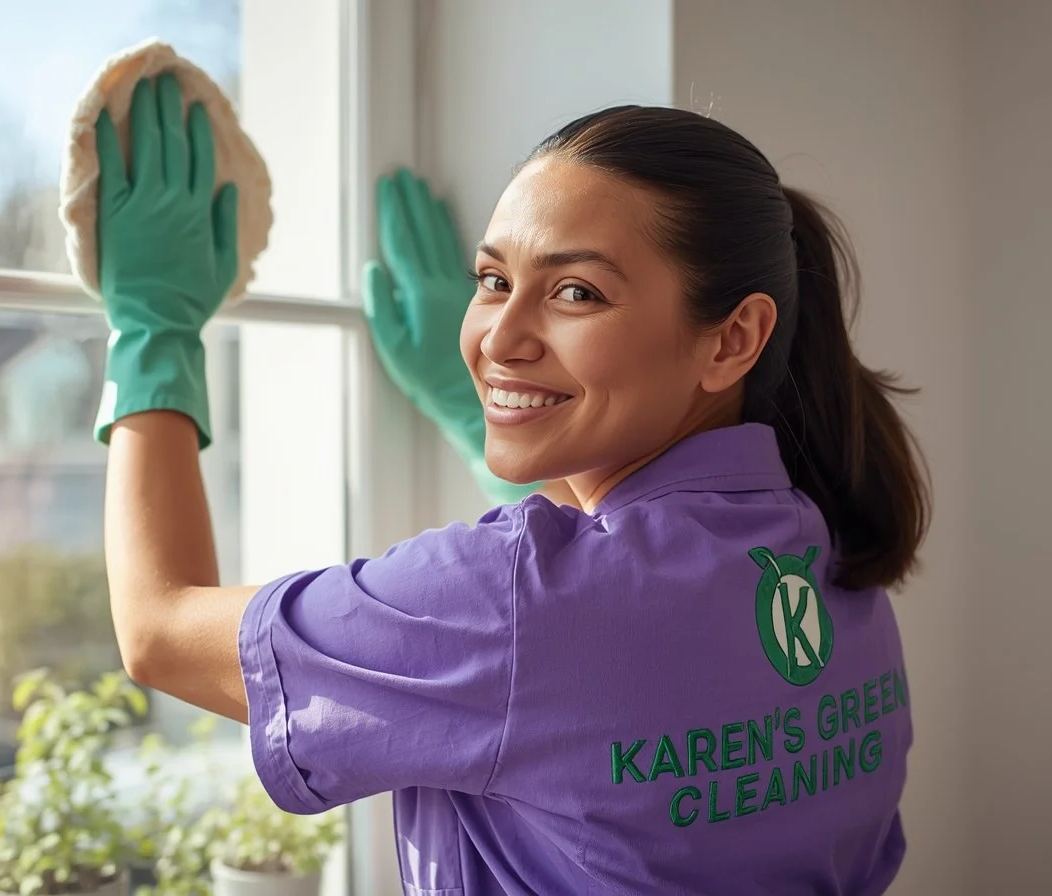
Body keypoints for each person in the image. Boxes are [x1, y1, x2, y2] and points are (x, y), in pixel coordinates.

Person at [96, 73, 929, 895]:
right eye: (493, 281)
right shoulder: (831, 548)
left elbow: (159, 629)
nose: (498, 338)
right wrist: (515, 422)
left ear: (732, 338)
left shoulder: (511, 602)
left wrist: (154, 329)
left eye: (576, 291)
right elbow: (591, 660)